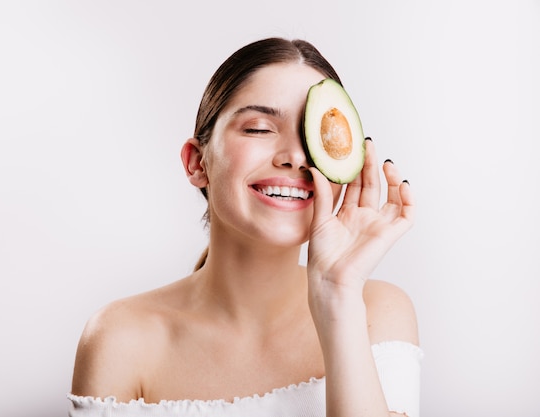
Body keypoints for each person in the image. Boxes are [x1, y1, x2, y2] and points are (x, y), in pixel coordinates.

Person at [67, 37, 423, 417]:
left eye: (316, 135)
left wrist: (338, 299)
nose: (296, 156)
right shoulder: (120, 338)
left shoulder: (375, 312)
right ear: (197, 162)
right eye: (258, 128)